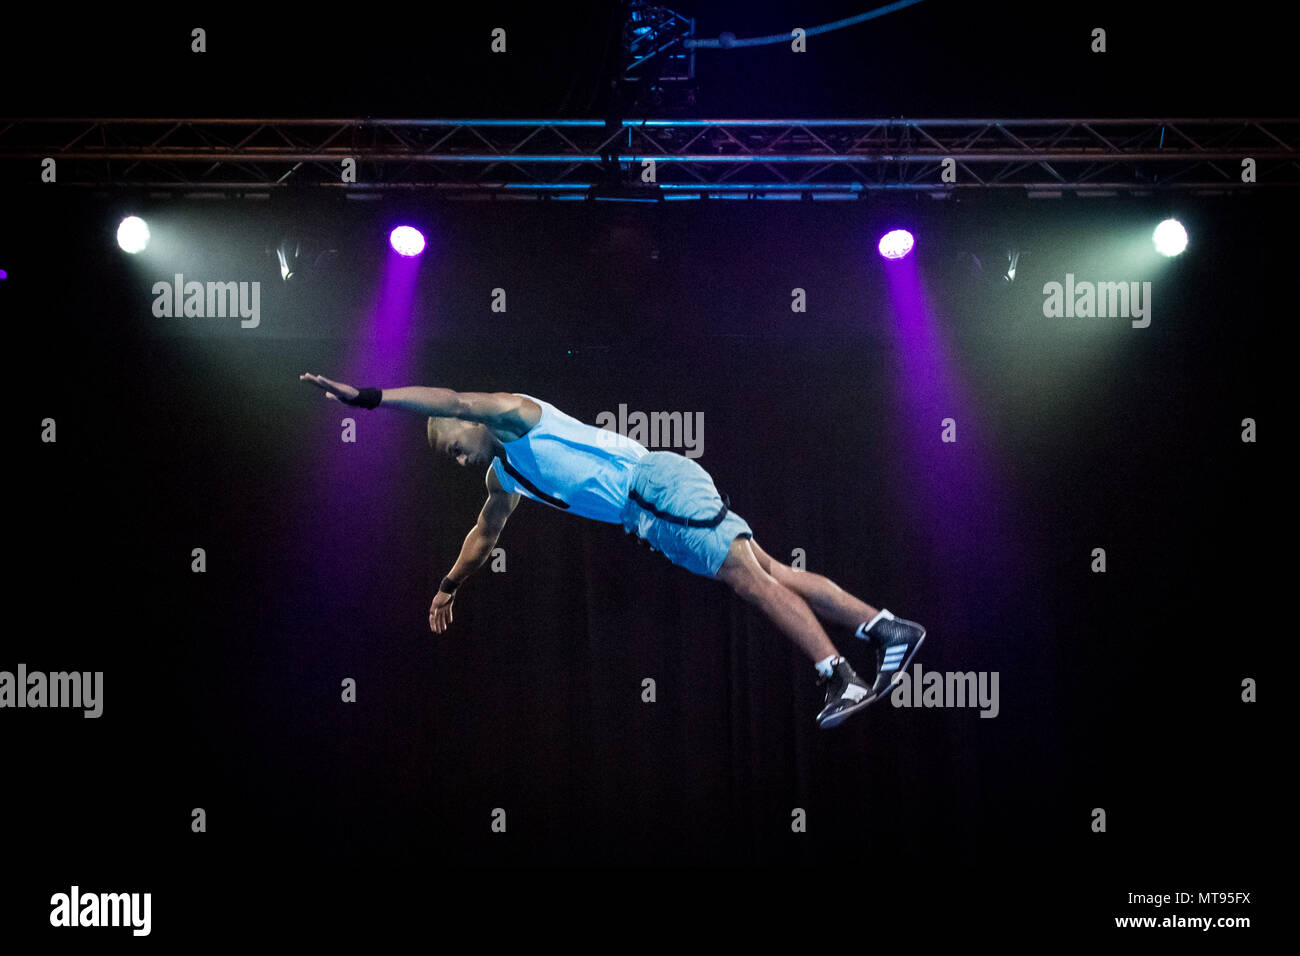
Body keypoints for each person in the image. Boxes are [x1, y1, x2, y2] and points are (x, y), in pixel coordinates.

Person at [299, 373, 926, 728]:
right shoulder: (506, 477)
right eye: (454, 460)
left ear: (471, 426)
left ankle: (839, 676)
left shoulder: (514, 415)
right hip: (647, 510)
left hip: (650, 487)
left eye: (457, 448)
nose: (462, 461)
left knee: (748, 579)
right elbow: (485, 532)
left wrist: (374, 400)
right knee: (769, 570)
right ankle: (886, 629)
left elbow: (456, 400)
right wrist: (449, 584)